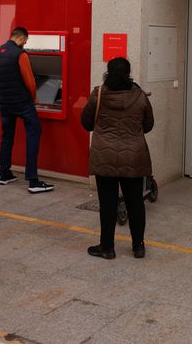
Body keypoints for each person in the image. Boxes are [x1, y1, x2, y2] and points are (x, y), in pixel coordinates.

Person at [80, 57, 154, 259]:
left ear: (108, 73)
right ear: (129, 73)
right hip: (134, 157)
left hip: (105, 156)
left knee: (107, 203)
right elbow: (148, 125)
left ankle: (107, 247)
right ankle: (138, 246)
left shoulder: (99, 94)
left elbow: (86, 123)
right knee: (135, 202)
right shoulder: (139, 96)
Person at [0, 27, 54, 193]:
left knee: (7, 136)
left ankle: (4, 174)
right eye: (25, 41)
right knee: (34, 134)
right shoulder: (21, 54)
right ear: (21, 37)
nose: (25, 44)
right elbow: (30, 81)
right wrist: (34, 97)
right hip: (22, 103)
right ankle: (33, 181)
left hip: (4, 102)